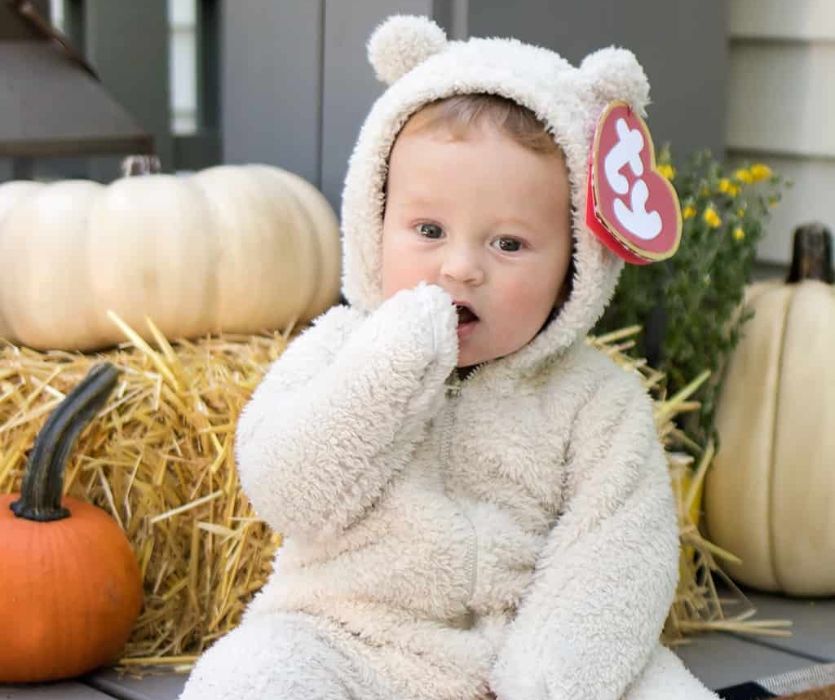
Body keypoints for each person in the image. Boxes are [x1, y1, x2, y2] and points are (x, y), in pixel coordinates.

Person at [179, 15, 718, 700]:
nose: (460, 268)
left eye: (509, 245)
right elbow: (287, 490)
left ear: (577, 267)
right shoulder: (339, 350)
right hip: (349, 638)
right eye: (428, 230)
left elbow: (618, 555)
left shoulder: (596, 401)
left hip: (521, 649)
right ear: (374, 220)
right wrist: (388, 368)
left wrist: (547, 681)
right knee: (253, 678)